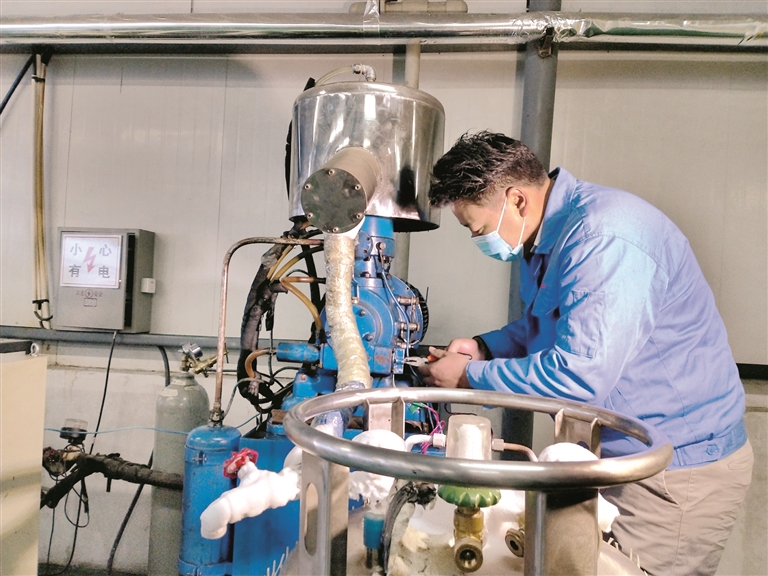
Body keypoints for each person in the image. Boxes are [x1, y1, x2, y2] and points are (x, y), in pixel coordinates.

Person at [419, 131, 753, 576]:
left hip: (672, 473)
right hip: (612, 457)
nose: (477, 240)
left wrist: (469, 377)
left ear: (516, 200)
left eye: (476, 229)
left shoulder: (605, 238)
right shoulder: (547, 235)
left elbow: (578, 376)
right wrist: (485, 347)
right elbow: (551, 324)